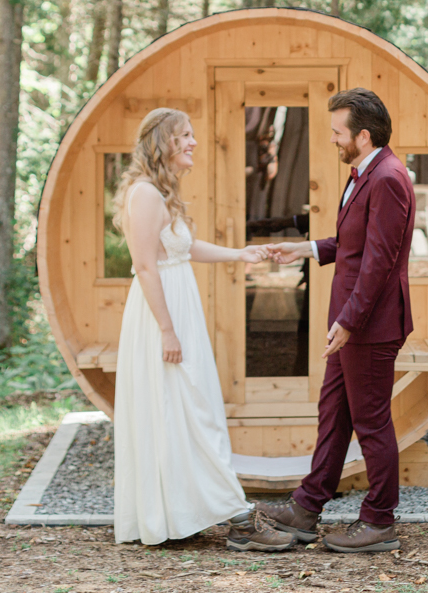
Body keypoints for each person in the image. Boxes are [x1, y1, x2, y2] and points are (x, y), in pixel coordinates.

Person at [113, 107, 296, 551]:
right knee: (185, 407)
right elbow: (143, 265)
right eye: (186, 136)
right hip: (162, 314)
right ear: (164, 142)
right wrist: (167, 330)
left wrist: (240, 255)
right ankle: (234, 517)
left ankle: (187, 510)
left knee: (191, 408)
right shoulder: (145, 194)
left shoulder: (161, 192)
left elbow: (184, 247)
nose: (194, 142)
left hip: (178, 306)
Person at [257, 88, 416, 553]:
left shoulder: (388, 177)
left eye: (337, 131)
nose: (332, 139)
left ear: (363, 136)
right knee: (335, 415)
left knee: (370, 423)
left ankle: (379, 521)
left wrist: (348, 322)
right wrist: (305, 248)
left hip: (369, 324)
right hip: (350, 324)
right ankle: (307, 508)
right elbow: (353, 244)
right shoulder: (366, 172)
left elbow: (379, 262)